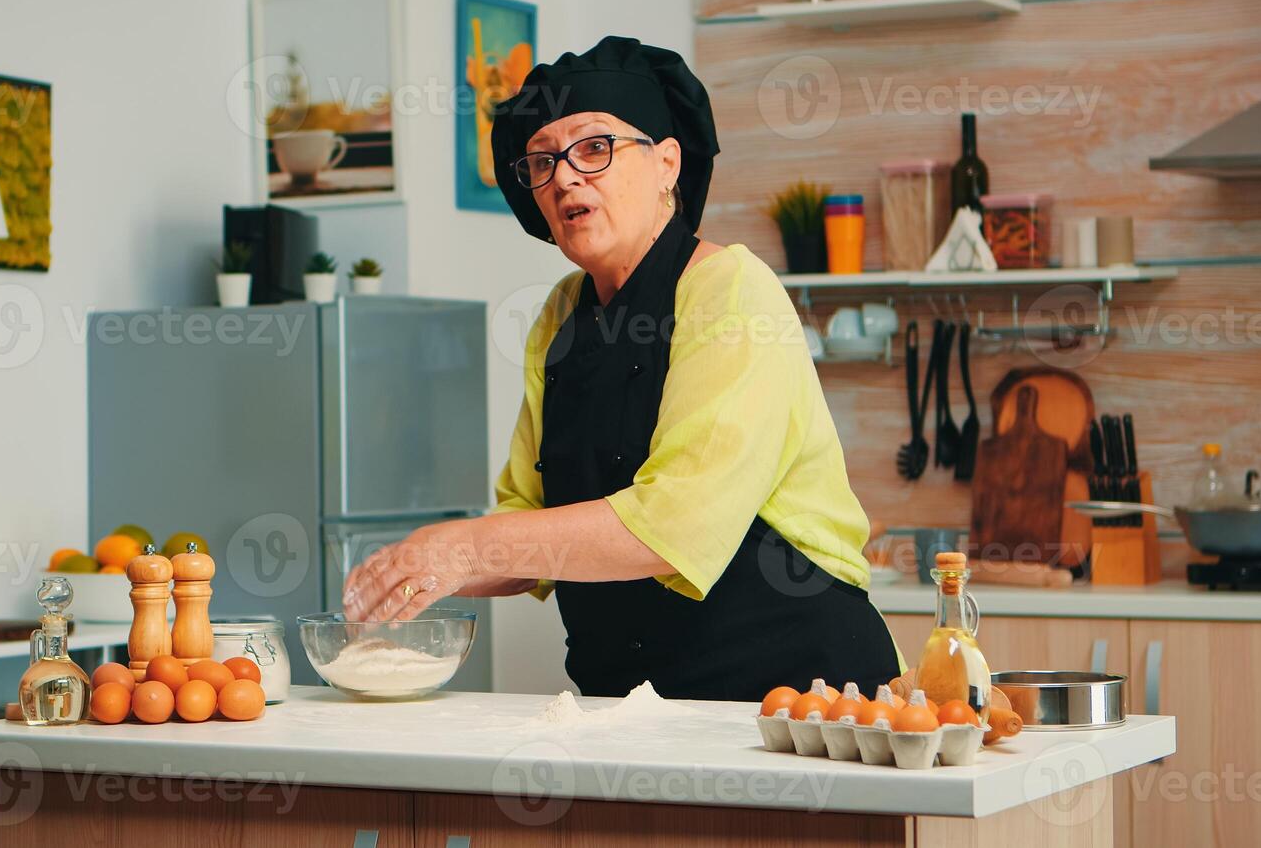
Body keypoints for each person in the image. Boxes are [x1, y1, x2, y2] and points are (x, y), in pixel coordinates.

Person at [341, 36, 899, 700]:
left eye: (594, 147)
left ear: (668, 163)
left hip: (796, 695)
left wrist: (464, 548)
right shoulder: (560, 315)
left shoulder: (731, 291)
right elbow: (527, 514)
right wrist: (414, 570)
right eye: (543, 161)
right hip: (630, 704)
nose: (566, 177)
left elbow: (676, 523)